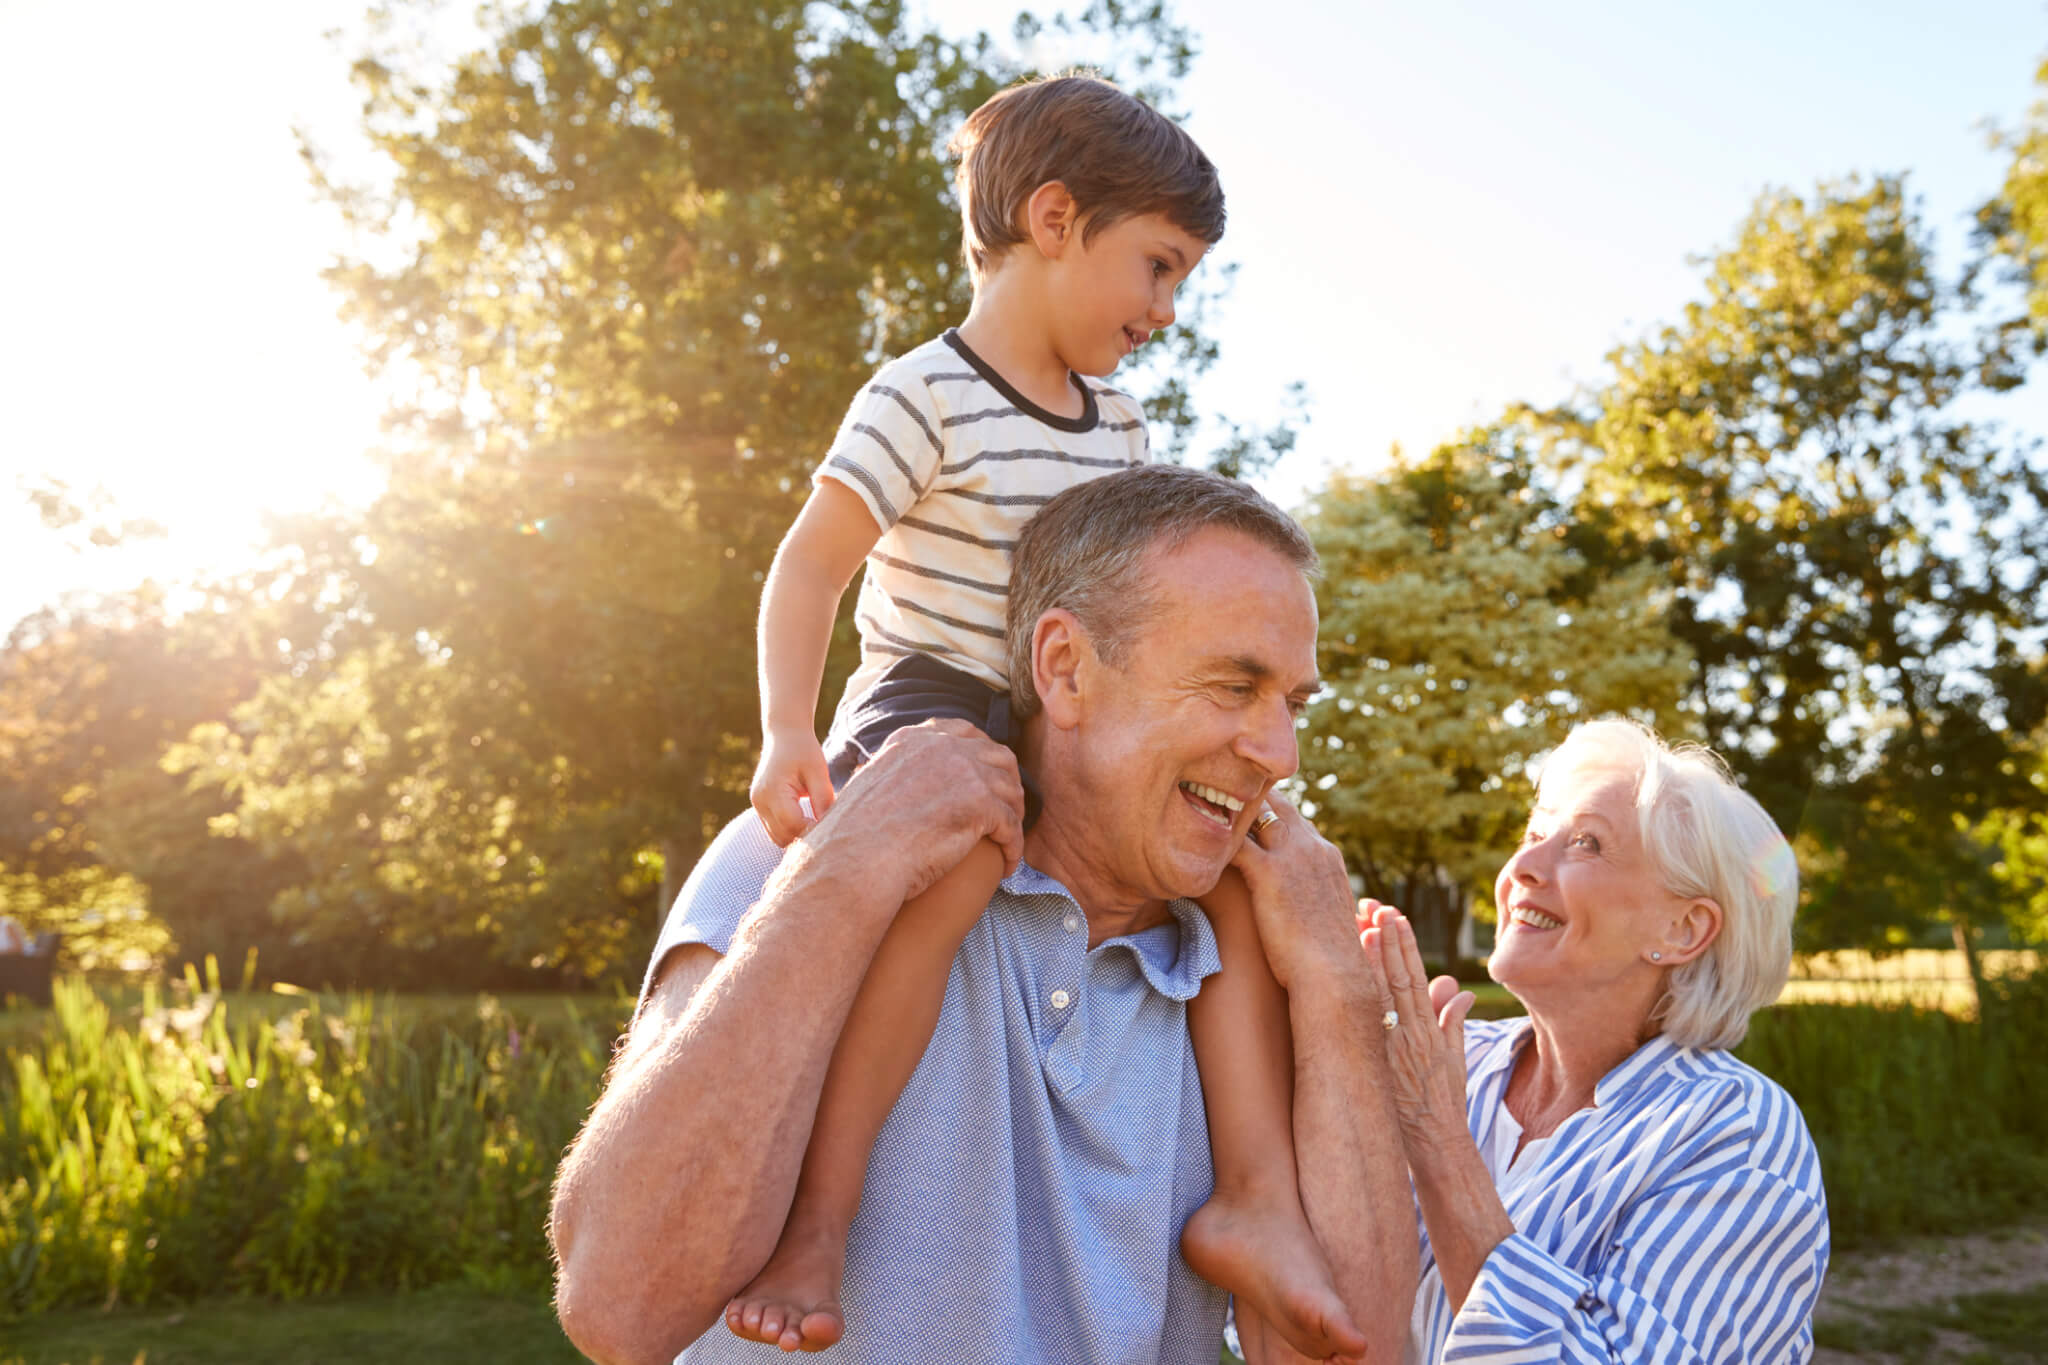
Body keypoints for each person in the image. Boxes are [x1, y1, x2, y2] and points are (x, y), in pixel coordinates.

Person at [729, 74, 1346, 1356]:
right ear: (1054, 219)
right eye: (1157, 268)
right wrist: (789, 728)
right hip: (934, 698)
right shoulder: (924, 397)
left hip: (1059, 705)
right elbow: (810, 565)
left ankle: (1256, 1201)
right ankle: (819, 1217)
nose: (1164, 312)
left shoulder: (1116, 430)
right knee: (957, 865)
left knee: (1229, 869)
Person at [548, 465, 1417, 1365]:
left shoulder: (1257, 955)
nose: (1281, 752)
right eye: (1234, 687)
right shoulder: (808, 849)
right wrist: (839, 873)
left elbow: (1360, 1353)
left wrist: (1334, 983)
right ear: (1066, 669)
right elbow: (621, 1304)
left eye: (1293, 703)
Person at [1358, 719, 1830, 1364]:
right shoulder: (1448, 1059)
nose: (1522, 866)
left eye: (1585, 843)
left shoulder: (1737, 1133)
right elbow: (1305, 1309)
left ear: (1683, 927)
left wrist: (1435, 1134)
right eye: (1533, 833)